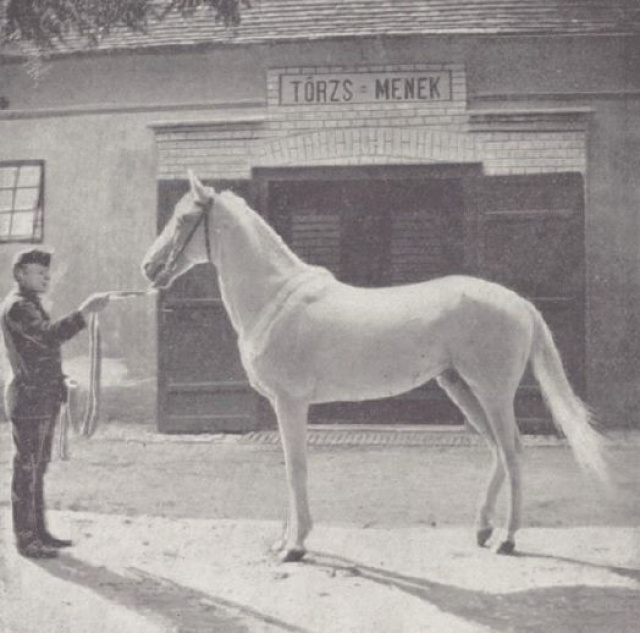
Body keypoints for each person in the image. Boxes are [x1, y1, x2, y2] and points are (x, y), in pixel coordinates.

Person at [1, 248, 110, 559]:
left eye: (47, 273)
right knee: (27, 469)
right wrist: (85, 311)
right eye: (39, 272)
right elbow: (48, 336)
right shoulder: (18, 307)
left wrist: (59, 378)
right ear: (20, 274)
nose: (46, 277)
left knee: (37, 468)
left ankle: (38, 533)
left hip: (40, 397)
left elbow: (39, 352)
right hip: (29, 399)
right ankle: (27, 540)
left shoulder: (29, 304)